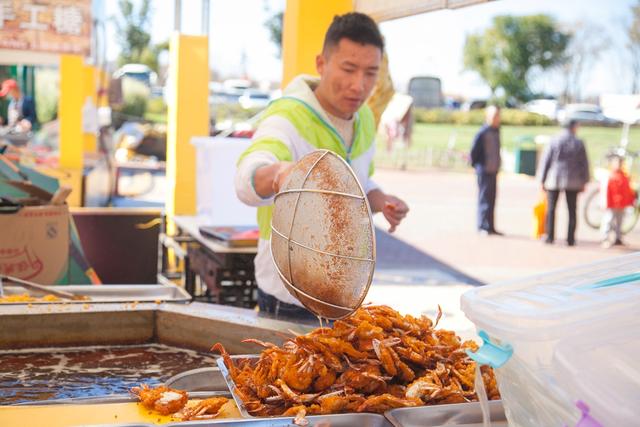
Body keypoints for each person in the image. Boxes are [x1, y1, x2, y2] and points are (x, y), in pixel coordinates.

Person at [235, 12, 409, 322]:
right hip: (287, 296)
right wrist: (278, 174)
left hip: (342, 296)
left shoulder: (365, 119)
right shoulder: (287, 118)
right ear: (321, 64)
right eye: (348, 69)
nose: (359, 85)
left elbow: (359, 183)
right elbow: (246, 179)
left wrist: (380, 200)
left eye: (371, 73)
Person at [537, 120, 590, 246]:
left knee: (551, 209)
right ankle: (570, 238)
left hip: (554, 178)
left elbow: (546, 160)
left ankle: (550, 236)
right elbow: (584, 163)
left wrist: (542, 179)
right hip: (573, 180)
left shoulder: (554, 140)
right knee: (572, 209)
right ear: (573, 127)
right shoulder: (578, 142)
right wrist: (585, 180)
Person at [470, 105, 502, 236]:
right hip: (484, 169)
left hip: (493, 169)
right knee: (484, 198)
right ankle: (482, 225)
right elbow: (474, 152)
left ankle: (491, 226)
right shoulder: (482, 132)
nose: (497, 118)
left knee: (492, 199)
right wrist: (478, 166)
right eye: (494, 116)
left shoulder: (496, 131)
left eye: (498, 116)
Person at [601, 153, 635, 248]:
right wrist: (605, 202)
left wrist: (630, 201)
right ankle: (606, 238)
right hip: (612, 204)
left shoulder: (624, 176)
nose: (619, 165)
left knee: (620, 221)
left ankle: (618, 238)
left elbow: (628, 190)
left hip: (621, 204)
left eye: (620, 163)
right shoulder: (610, 176)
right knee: (609, 220)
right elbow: (606, 191)